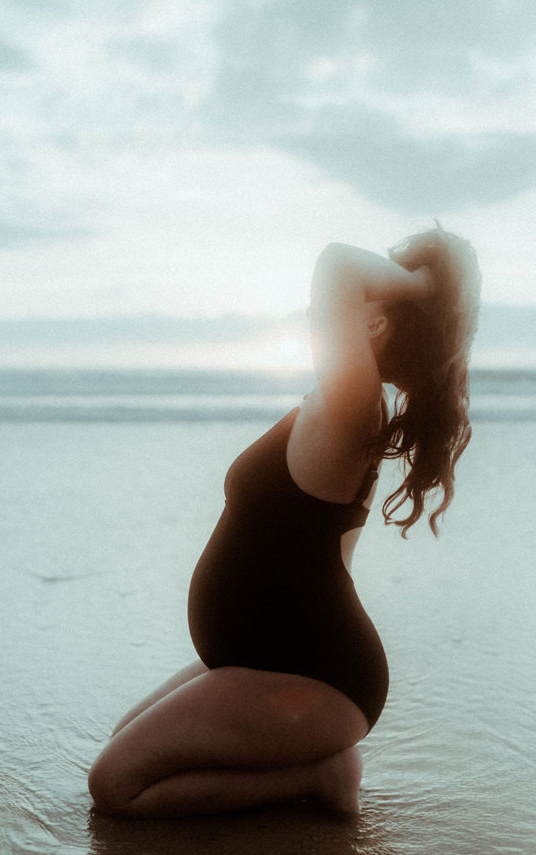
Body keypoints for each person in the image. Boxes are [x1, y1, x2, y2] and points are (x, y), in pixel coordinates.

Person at [88, 225, 481, 818]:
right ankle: (305, 756)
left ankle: (319, 774)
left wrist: (425, 281)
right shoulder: (342, 407)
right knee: (126, 737)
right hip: (278, 660)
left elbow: (337, 265)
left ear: (378, 320)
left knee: (116, 785)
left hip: (315, 676)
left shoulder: (354, 400)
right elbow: (331, 553)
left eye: (385, 283)